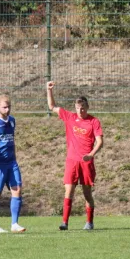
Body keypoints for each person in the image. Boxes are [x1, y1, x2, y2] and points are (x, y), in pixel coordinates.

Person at [46, 81, 103, 230]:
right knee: (68, 190)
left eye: (82, 108)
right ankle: (64, 222)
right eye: (78, 109)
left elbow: (100, 142)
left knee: (87, 194)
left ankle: (89, 222)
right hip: (72, 161)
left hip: (86, 162)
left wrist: (91, 154)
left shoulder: (94, 121)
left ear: (87, 107)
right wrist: (49, 90)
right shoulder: (70, 117)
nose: (80, 111)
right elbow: (52, 107)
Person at [0, 95, 26, 233]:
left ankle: (14, 224)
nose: (7, 110)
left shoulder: (12, 121)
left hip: (11, 163)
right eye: (4, 107)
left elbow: (11, 141)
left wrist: (14, 158)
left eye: (9, 107)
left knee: (17, 190)